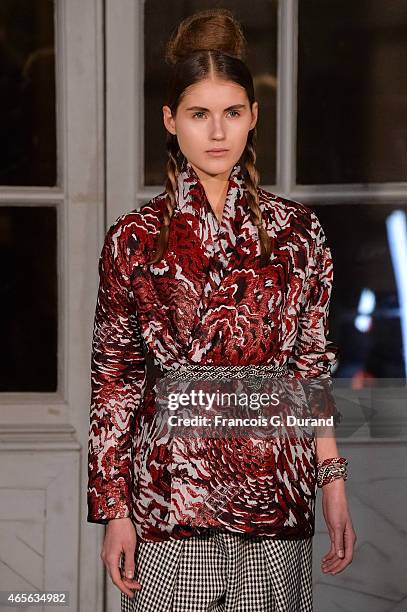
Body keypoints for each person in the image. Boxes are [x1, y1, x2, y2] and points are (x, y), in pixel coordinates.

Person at [87, 8, 357, 612]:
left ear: (253, 116)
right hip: (168, 503)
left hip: (277, 494)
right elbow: (114, 383)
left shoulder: (298, 232)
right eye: (199, 114)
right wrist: (114, 512)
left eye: (232, 112)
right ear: (170, 121)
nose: (217, 132)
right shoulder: (134, 237)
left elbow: (309, 369)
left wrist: (332, 481)